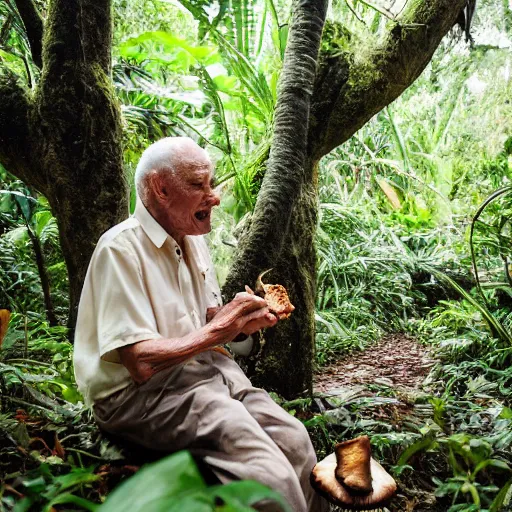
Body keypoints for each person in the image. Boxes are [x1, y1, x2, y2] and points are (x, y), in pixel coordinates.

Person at [73, 137, 329, 512]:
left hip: (206, 373)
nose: (214, 197)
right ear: (161, 189)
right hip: (140, 394)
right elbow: (140, 362)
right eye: (198, 185)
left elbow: (207, 319)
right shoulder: (120, 249)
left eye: (211, 183)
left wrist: (242, 324)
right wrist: (219, 331)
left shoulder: (191, 240)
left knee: (295, 440)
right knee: (268, 473)